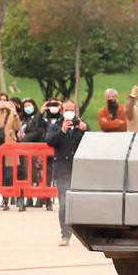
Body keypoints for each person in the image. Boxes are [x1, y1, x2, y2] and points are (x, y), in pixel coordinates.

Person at [45, 99, 89, 246]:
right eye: (66, 109)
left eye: (72, 109)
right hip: (62, 171)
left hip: (79, 171)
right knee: (64, 204)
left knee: (79, 204)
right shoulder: (56, 126)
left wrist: (85, 130)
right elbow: (49, 141)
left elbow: (93, 141)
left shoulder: (81, 125)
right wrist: (62, 131)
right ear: (62, 111)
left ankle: (83, 234)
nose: (69, 112)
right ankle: (65, 234)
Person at [18, 98, 50, 209]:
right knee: (27, 175)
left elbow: (38, 130)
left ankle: (42, 199)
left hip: (38, 151)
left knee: (39, 175)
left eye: (29, 105)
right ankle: (28, 198)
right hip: (24, 152)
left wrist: (26, 137)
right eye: (25, 106)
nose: (27, 108)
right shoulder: (21, 120)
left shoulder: (40, 119)